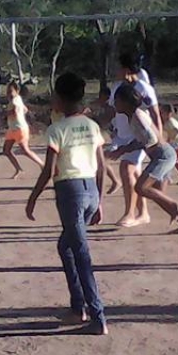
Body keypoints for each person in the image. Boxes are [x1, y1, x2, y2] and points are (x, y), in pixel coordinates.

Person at [25, 72, 109, 336]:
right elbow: (102, 166)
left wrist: (32, 198)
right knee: (66, 247)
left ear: (60, 98)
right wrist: (99, 201)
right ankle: (77, 307)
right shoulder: (92, 126)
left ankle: (97, 316)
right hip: (90, 190)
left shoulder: (57, 130)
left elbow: (48, 170)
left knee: (81, 254)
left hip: (70, 193)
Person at [108, 83, 178, 235]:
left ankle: (175, 206)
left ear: (126, 101)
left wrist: (123, 150)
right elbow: (141, 139)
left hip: (163, 156)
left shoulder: (138, 116)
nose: (115, 103)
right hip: (160, 156)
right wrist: (121, 149)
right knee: (153, 192)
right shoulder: (133, 116)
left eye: (117, 100)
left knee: (141, 187)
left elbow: (150, 140)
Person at [111, 57, 161, 227]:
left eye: (118, 67)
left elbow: (155, 114)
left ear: (126, 70)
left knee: (126, 168)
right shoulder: (117, 87)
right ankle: (143, 213)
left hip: (139, 137)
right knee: (135, 173)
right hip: (122, 136)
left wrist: (160, 138)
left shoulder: (144, 88)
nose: (115, 71)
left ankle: (130, 213)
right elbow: (113, 110)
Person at [2, 82, 43, 178]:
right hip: (12, 129)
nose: (8, 93)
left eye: (11, 91)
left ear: (17, 91)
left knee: (25, 150)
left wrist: (6, 113)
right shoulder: (17, 99)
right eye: (7, 91)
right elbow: (25, 109)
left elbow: (15, 110)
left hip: (20, 129)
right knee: (6, 150)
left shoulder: (15, 100)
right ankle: (19, 169)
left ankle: (43, 165)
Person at [95, 85, 121, 194]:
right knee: (101, 159)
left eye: (101, 97)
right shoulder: (106, 108)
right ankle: (115, 181)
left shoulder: (110, 109)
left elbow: (102, 122)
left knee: (101, 160)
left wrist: (90, 116)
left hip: (120, 140)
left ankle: (115, 181)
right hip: (116, 139)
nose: (99, 100)